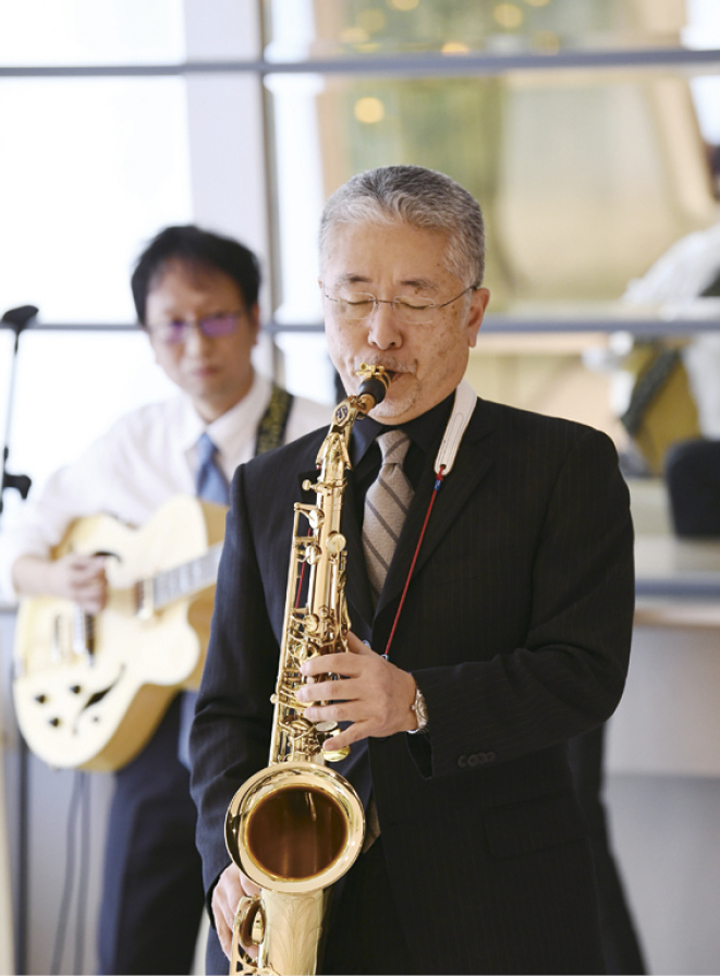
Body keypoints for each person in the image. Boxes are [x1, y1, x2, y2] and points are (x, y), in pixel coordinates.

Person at [190, 166, 635, 975]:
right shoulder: (268, 482)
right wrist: (230, 860)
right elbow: (225, 709)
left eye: (415, 299)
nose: (379, 333)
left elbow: (585, 676)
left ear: (473, 314)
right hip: (307, 899)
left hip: (499, 913)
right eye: (354, 298)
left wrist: (418, 700)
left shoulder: (567, 464)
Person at [0, 225, 330, 975]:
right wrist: (56, 580)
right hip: (150, 732)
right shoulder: (133, 441)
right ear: (150, 340)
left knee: (247, 950)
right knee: (130, 946)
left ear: (253, 318)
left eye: (214, 317)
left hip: (264, 733)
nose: (196, 343)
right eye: (171, 325)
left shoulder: (316, 438)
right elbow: (20, 535)